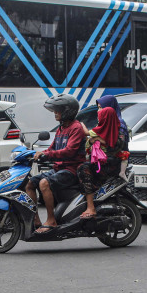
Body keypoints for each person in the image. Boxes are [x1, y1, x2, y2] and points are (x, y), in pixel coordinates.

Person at [29, 93, 86, 234]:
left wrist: (47, 154)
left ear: (67, 111)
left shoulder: (76, 128)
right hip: (59, 168)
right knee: (30, 183)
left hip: (72, 170)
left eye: (58, 110)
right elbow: (52, 148)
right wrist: (37, 154)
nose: (55, 113)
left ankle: (51, 220)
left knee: (44, 183)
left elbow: (69, 151)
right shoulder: (61, 128)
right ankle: (35, 219)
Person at [78, 95, 129, 218]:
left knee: (83, 169)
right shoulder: (104, 122)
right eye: (98, 108)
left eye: (101, 108)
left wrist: (100, 139)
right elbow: (90, 140)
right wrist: (92, 141)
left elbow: (118, 144)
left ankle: (91, 207)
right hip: (103, 160)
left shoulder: (119, 124)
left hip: (112, 162)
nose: (98, 111)